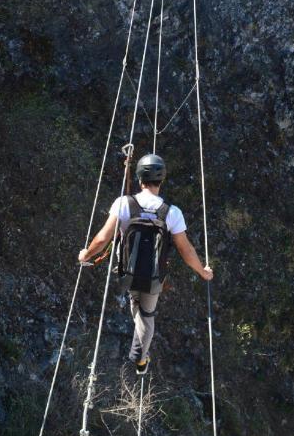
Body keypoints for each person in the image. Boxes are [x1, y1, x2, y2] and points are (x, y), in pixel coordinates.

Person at [77, 153, 213, 375]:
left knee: (135, 303)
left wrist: (86, 255)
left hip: (126, 272)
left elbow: (103, 239)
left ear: (140, 178)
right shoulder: (172, 213)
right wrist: (203, 272)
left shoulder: (123, 203)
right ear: (162, 179)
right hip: (154, 277)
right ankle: (140, 359)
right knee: (147, 314)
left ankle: (139, 351)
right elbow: (186, 251)